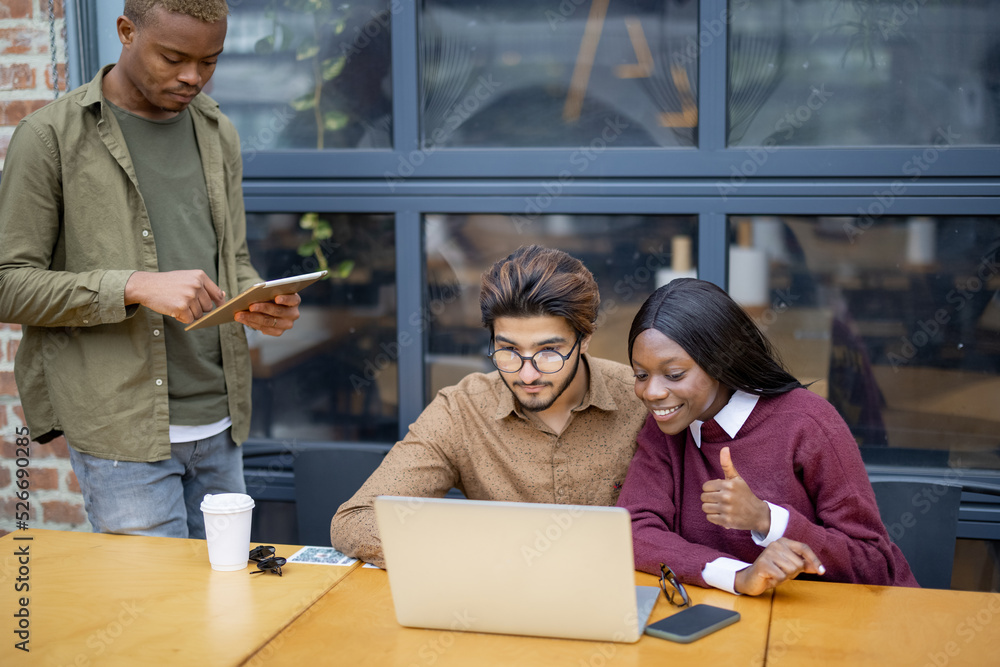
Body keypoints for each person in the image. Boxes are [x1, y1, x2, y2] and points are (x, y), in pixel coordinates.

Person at [0, 0, 300, 539]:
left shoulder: (217, 130)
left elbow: (229, 255)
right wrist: (134, 286)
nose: (193, 77)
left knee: (227, 603)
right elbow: (8, 283)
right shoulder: (50, 138)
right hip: (124, 433)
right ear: (125, 31)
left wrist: (255, 301)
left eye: (210, 61)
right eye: (173, 57)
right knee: (154, 613)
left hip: (222, 419)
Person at [332, 245, 647, 567]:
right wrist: (469, 559)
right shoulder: (462, 410)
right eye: (508, 349)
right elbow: (356, 519)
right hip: (497, 596)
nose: (527, 374)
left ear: (585, 339)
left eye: (549, 351)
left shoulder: (641, 400)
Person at [616, 278, 918, 595]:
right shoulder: (666, 426)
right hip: (741, 621)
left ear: (720, 362)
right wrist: (738, 575)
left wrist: (766, 519)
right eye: (641, 375)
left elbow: (872, 564)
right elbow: (634, 530)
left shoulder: (807, 422)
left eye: (674, 374)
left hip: (854, 620)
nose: (652, 392)